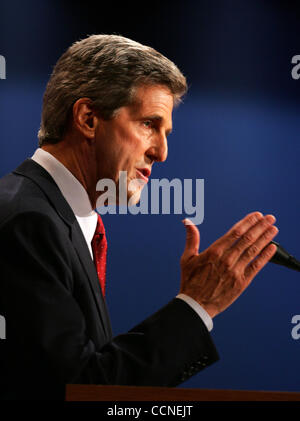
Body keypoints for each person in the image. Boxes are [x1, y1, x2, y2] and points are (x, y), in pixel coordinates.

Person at [0, 34, 278, 400]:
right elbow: (77, 390)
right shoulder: (28, 222)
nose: (161, 152)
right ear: (88, 118)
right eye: (149, 124)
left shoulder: (59, 217)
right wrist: (198, 304)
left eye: (166, 132)